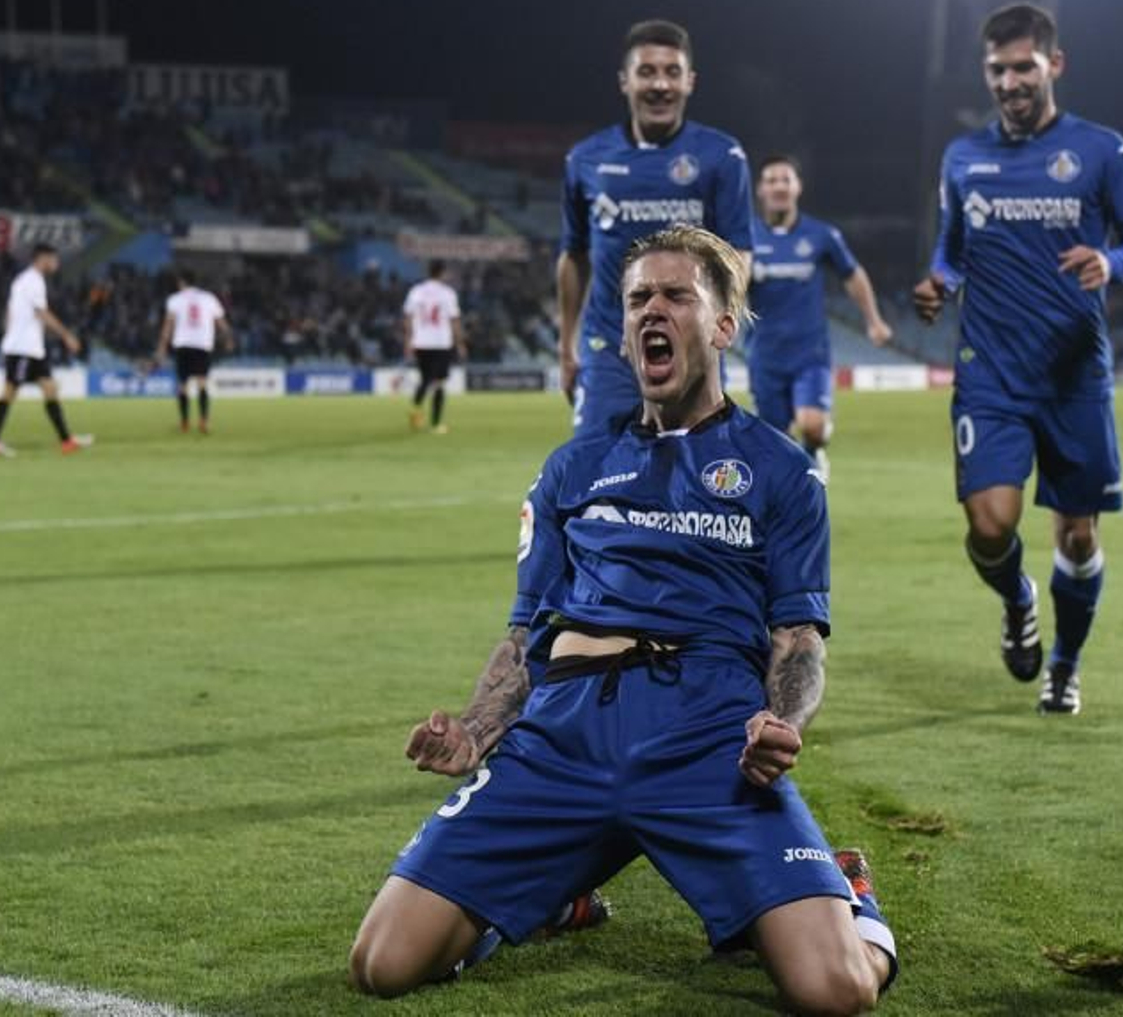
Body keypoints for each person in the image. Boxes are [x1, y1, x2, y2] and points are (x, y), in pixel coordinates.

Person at [350, 227, 896, 1013]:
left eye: (677, 295)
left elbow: (798, 638)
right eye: (639, 296)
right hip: (563, 738)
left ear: (721, 325)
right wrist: (475, 729)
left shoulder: (782, 471)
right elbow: (524, 637)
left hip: (704, 733)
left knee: (837, 989)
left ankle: (851, 893)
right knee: (381, 963)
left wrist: (781, 721)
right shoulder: (571, 468)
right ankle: (545, 897)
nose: (652, 310)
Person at [913, 3, 1123, 716]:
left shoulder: (1102, 150)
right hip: (989, 371)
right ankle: (1018, 597)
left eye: (1024, 66)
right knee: (990, 525)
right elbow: (952, 246)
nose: (1011, 80)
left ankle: (1065, 662)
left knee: (1078, 536)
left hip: (1074, 375)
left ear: (1055, 64)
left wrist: (1111, 261)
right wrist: (940, 281)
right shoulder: (962, 157)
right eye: (998, 69)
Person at [557, 19, 754, 436]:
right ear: (624, 81)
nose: (660, 84)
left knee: (695, 483)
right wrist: (566, 347)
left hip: (694, 350)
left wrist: (718, 325)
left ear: (690, 82)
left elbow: (738, 255)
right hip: (610, 348)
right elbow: (573, 256)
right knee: (595, 476)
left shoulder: (722, 156)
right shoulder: (585, 160)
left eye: (672, 72)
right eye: (646, 72)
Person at [747, 155, 892, 480]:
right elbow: (727, 286)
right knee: (775, 441)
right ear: (760, 189)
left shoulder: (821, 235)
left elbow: (853, 275)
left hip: (809, 353)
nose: (779, 186)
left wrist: (873, 320)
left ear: (798, 187)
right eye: (772, 180)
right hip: (765, 355)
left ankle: (814, 452)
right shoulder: (745, 238)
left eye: (786, 179)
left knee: (813, 426)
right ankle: (791, 498)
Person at [0, 244, 94, 457]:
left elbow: (10, 311)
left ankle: (66, 440)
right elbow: (42, 313)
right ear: (43, 258)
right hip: (23, 348)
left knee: (50, 388)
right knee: (9, 392)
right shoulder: (34, 281)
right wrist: (67, 335)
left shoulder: (22, 280)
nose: (56, 263)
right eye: (54, 259)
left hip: (30, 348)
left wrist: (9, 335)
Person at [155, 269, 233, 435]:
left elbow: (168, 325)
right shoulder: (209, 298)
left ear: (181, 282)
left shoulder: (175, 299)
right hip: (203, 344)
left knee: (183, 385)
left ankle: (184, 423)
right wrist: (228, 339)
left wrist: (162, 346)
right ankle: (204, 421)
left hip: (183, 344)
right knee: (202, 382)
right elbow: (221, 322)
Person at [401, 260, 465, 433]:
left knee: (425, 379)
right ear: (443, 273)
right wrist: (460, 343)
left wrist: (408, 340)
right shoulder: (447, 294)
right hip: (440, 342)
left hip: (421, 342)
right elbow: (454, 320)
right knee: (439, 383)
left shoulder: (416, 291)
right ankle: (436, 424)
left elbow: (408, 317)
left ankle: (415, 408)